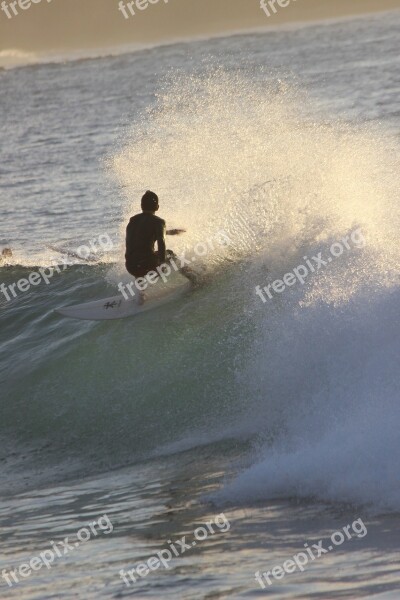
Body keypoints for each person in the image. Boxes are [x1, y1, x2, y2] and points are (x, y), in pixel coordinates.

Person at [125, 191, 192, 303]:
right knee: (169, 253)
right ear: (157, 207)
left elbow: (143, 234)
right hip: (148, 265)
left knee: (137, 257)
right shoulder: (159, 221)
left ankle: (141, 294)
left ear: (141, 206)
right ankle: (194, 277)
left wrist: (170, 232)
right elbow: (161, 241)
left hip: (131, 267)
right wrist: (162, 262)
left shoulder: (133, 220)